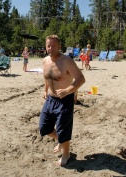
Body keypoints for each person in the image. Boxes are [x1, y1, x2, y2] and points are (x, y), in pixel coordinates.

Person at [39, 35, 85, 166]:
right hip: (50, 99)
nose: (50, 48)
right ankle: (60, 141)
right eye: (48, 45)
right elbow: (47, 77)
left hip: (65, 99)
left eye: (53, 45)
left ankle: (66, 154)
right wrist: (45, 89)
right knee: (44, 127)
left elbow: (81, 79)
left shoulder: (66, 61)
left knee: (63, 129)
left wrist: (68, 90)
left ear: (59, 46)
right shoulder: (45, 61)